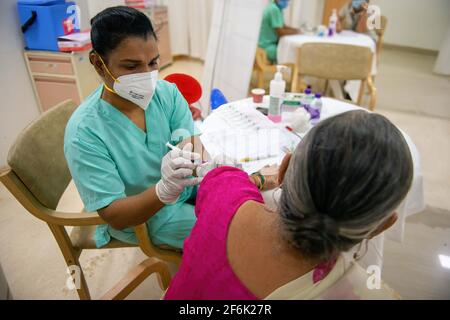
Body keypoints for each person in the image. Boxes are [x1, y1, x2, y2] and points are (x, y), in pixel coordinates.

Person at [164, 110, 413, 300]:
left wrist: (252, 178)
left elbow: (217, 176)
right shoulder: (368, 293)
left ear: (283, 169)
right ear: (382, 226)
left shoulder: (226, 190)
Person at [64, 6, 209, 250]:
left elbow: (189, 139)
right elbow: (115, 214)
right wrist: (164, 190)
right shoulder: (85, 133)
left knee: (241, 201)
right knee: (229, 239)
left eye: (153, 62)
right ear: (99, 64)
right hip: (145, 217)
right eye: (131, 67)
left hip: (183, 191)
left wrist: (196, 159)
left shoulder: (167, 94)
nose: (147, 76)